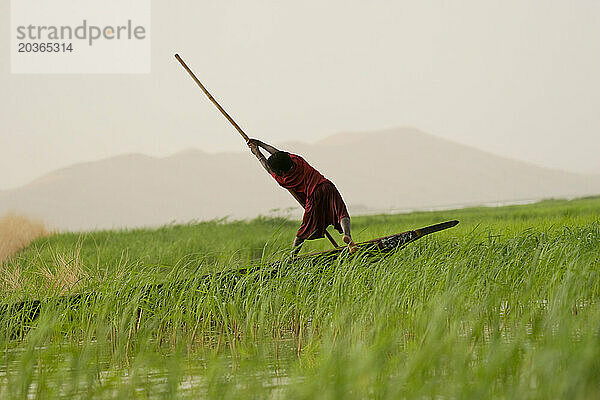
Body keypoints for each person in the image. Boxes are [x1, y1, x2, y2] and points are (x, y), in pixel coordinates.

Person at [247, 138, 357, 255]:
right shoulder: (297, 160)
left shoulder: (284, 179)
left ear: (280, 171)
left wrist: (256, 152)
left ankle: (292, 256)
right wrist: (260, 144)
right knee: (341, 213)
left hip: (314, 195)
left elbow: (267, 167)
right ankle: (347, 235)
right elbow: (276, 152)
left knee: (305, 228)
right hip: (327, 185)